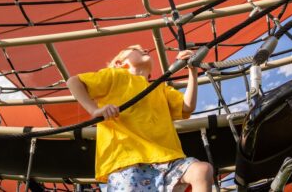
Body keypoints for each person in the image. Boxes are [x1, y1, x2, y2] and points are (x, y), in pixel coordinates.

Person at [67, 45, 213, 192]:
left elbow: (187, 107)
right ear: (120, 63)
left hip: (168, 160)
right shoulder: (114, 76)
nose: (145, 50)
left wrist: (192, 71)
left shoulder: (159, 88)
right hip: (127, 163)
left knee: (202, 170)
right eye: (136, 49)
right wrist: (95, 110)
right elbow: (73, 82)